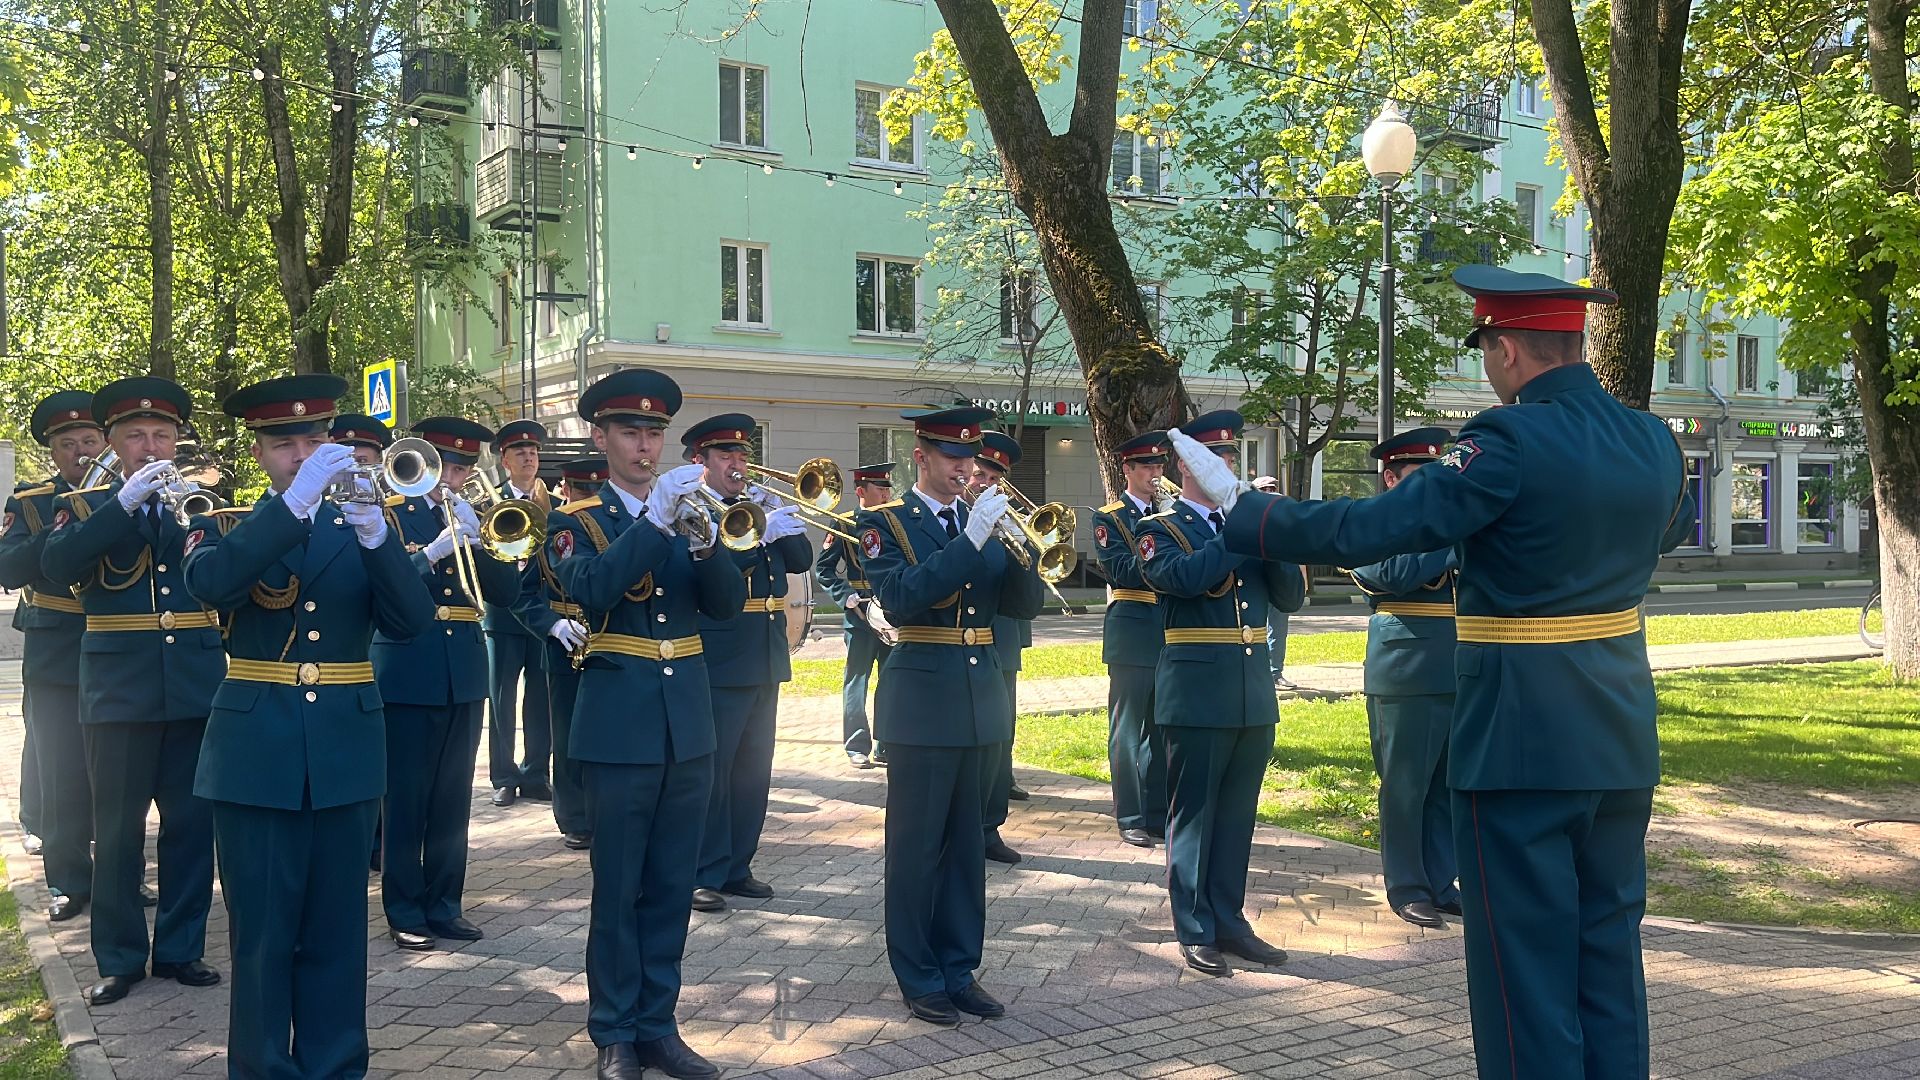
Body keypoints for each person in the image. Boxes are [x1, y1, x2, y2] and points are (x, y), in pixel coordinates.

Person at [1175, 266, 1696, 1079]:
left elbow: (1369, 530)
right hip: (1620, 730)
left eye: (1488, 347)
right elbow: (1662, 536)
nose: (1489, 365)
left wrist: (1243, 508)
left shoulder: (1507, 441)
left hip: (1520, 738)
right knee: (1607, 953)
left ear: (1510, 349)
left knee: (1524, 971)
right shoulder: (1655, 439)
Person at [183, 374, 435, 1078]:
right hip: (255, 754)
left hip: (345, 752)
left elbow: (412, 623)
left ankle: (334, 1068)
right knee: (263, 939)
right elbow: (212, 584)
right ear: (259, 453)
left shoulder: (361, 523)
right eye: (284, 443)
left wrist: (380, 535)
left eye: (314, 439)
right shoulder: (226, 523)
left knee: (336, 936)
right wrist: (292, 507)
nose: (302, 453)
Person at [549, 369, 743, 1080]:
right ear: (600, 438)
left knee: (669, 884)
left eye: (654, 432)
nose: (644, 445)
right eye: (630, 431)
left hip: (686, 722)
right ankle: (614, 1030)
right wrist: (655, 523)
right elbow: (594, 591)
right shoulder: (576, 522)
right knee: (619, 883)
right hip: (619, 725)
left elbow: (723, 605)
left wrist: (706, 541)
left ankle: (658, 1024)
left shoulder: (690, 510)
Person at [856, 406, 1044, 1027]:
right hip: (921, 699)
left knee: (966, 846)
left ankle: (960, 968)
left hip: (978, 699)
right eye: (952, 456)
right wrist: (970, 542)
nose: (966, 467)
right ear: (922, 457)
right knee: (916, 848)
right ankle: (918, 973)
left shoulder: (982, 518)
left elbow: (1024, 605)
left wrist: (1020, 545)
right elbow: (903, 597)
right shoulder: (886, 523)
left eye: (971, 457)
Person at [40, 377, 222, 1006]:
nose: (151, 447)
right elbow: (57, 565)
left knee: (192, 828)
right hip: (119, 693)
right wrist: (121, 505)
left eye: (162, 436)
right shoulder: (85, 504)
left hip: (196, 688)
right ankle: (118, 957)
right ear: (113, 444)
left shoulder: (198, 502)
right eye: (137, 436)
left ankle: (181, 949)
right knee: (116, 833)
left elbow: (224, 579)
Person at [1136, 410, 1305, 978]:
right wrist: (1239, 526)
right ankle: (1195, 924)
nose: (1226, 466)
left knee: (1237, 816)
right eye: (1216, 458)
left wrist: (1269, 529)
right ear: (1186, 466)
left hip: (1251, 689)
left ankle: (1229, 918)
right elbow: (1185, 580)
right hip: (1196, 690)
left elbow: (1289, 595)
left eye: (1231, 457)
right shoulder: (1159, 529)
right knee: (1196, 814)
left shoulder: (1247, 521)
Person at [373, 416, 520, 951]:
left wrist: (483, 542)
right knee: (406, 799)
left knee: (452, 798)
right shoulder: (387, 514)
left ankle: (445, 903)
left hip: (462, 668)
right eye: (444, 467)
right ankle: (405, 909)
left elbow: (504, 592)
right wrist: (433, 550)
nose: (451, 480)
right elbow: (383, 586)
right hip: (407, 667)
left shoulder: (470, 514)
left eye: (460, 470)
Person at [683, 413, 813, 913]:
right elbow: (709, 577)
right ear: (700, 462)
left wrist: (781, 519)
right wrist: (757, 536)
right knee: (714, 771)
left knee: (754, 771)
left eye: (742, 455)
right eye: (726, 456)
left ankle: (738, 865)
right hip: (720, 650)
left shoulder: (755, 507)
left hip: (763, 650)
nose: (738, 464)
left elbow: (800, 560)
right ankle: (702, 870)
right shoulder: (693, 510)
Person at [1345, 428, 1462, 930]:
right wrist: (1455, 541)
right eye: (1422, 472)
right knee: (1406, 784)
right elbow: (1392, 575)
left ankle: (1440, 880)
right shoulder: (1369, 524)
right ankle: (1407, 885)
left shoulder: (1448, 522)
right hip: (1406, 667)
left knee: (1447, 784)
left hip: (1460, 663)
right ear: (1391, 477)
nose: (1435, 481)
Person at [0, 392, 104, 920]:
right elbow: (9, 569)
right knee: (61, 769)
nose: (82, 452)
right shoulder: (32, 504)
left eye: (90, 440)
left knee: (115, 775)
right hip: (57, 649)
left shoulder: (124, 495)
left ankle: (118, 876)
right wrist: (58, 537)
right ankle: (68, 881)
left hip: (116, 647)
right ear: (53, 452)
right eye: (70, 444)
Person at [514, 456, 607, 851]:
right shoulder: (550, 532)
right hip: (564, 642)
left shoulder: (612, 527)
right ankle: (574, 817)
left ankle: (605, 810)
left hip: (609, 637)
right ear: (565, 491)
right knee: (567, 733)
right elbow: (522, 594)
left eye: (594, 493)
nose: (587, 500)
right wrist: (552, 624)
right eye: (581, 492)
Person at [1090, 430, 1171, 849]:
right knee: (1127, 728)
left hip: (1169, 628)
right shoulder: (1111, 517)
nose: (1156, 473)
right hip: (1133, 625)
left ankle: (1158, 814)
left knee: (1163, 727)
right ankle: (1130, 815)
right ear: (1128, 469)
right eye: (1148, 466)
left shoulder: (1171, 512)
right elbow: (1121, 568)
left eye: (1160, 465)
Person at [969, 430, 1033, 866]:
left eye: (993, 476)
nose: (982, 482)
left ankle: (990, 827)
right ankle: (960, 825)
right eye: (977, 472)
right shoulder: (947, 516)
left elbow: (1027, 599)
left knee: (998, 735)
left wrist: (1021, 541)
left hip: (1000, 638)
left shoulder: (1006, 519)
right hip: (954, 640)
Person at [486, 419, 555, 808]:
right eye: (520, 452)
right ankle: (503, 775)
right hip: (501, 614)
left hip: (541, 612)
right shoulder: (489, 502)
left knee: (540, 698)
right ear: (505, 460)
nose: (528, 457)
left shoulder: (554, 504)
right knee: (501, 697)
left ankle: (534, 774)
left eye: (533, 452)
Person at [814, 461, 898, 769]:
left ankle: (886, 742)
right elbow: (823, 568)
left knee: (892, 679)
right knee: (857, 679)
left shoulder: (896, 521)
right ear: (861, 490)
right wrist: (844, 596)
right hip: (860, 609)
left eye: (888, 487)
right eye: (880, 488)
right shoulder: (844, 522)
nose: (887, 493)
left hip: (891, 608)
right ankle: (856, 745)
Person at [1250, 477, 1297, 690]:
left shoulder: (1282, 521)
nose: (1269, 492)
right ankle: (1256, 673)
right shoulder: (1247, 521)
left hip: (1278, 585)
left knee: (1278, 631)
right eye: (1264, 489)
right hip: (1256, 583)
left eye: (1272, 489)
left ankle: (1276, 672)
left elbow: (1294, 556)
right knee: (1253, 630)